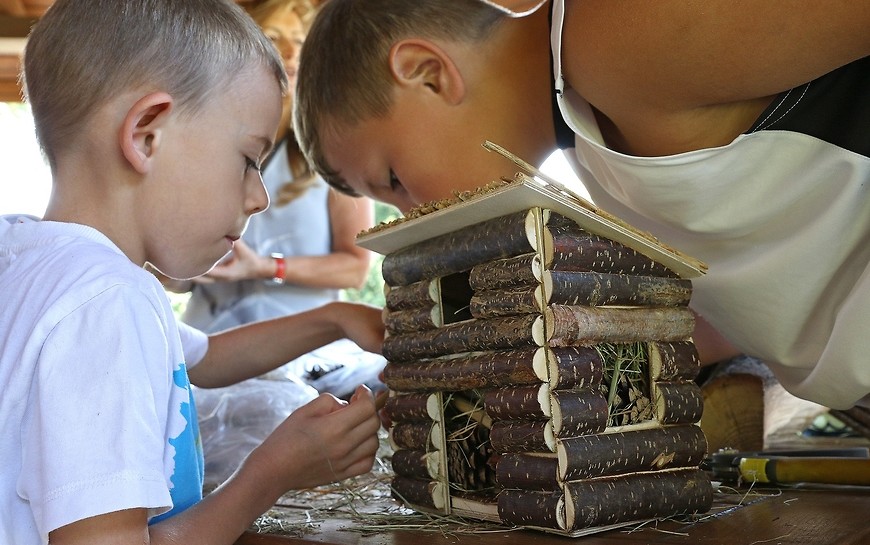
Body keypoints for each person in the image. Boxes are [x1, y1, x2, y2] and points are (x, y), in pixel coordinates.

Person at [293, 0, 870, 411]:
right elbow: (759, 306)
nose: (411, 217)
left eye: (393, 179)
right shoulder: (594, 149)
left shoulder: (612, 36)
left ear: (427, 72)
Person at [0, 1, 382, 544]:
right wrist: (269, 475)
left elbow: (207, 359)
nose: (260, 196)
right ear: (146, 136)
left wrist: (335, 318)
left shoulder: (31, 263)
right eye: (249, 159)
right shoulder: (107, 302)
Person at [166, 0, 384, 399]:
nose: (290, 52)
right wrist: (183, 269)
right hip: (212, 358)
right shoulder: (202, 145)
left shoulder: (331, 149)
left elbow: (355, 268)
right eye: (273, 38)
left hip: (311, 359)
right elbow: (175, 280)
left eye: (299, 42)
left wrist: (266, 267)